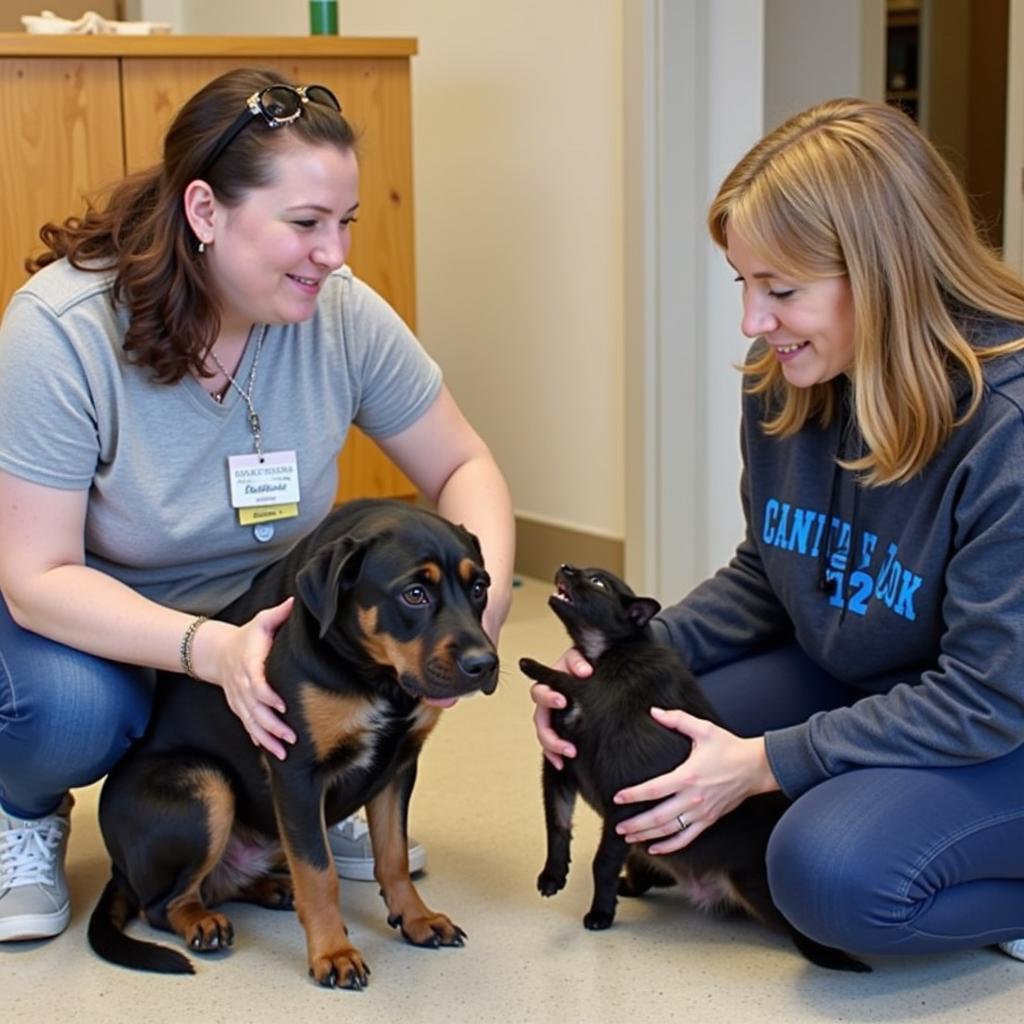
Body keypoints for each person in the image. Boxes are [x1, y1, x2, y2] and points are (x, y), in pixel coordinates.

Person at [0, 67, 514, 943]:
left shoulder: (339, 312)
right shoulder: (61, 330)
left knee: (368, 668)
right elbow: (35, 577)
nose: (336, 254)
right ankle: (21, 815)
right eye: (306, 224)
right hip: (105, 621)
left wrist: (483, 606)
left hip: (276, 623)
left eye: (346, 222)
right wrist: (209, 650)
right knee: (69, 714)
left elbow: (463, 460)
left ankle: (320, 788)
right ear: (205, 212)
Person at [532, 97, 1024, 963]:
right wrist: (608, 660)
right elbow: (771, 573)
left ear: (886, 273)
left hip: (996, 720)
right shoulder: (789, 376)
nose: (754, 323)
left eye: (782, 290)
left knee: (828, 875)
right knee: (632, 744)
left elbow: (986, 696)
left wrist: (767, 763)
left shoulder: (1007, 425)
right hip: (867, 679)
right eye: (745, 284)